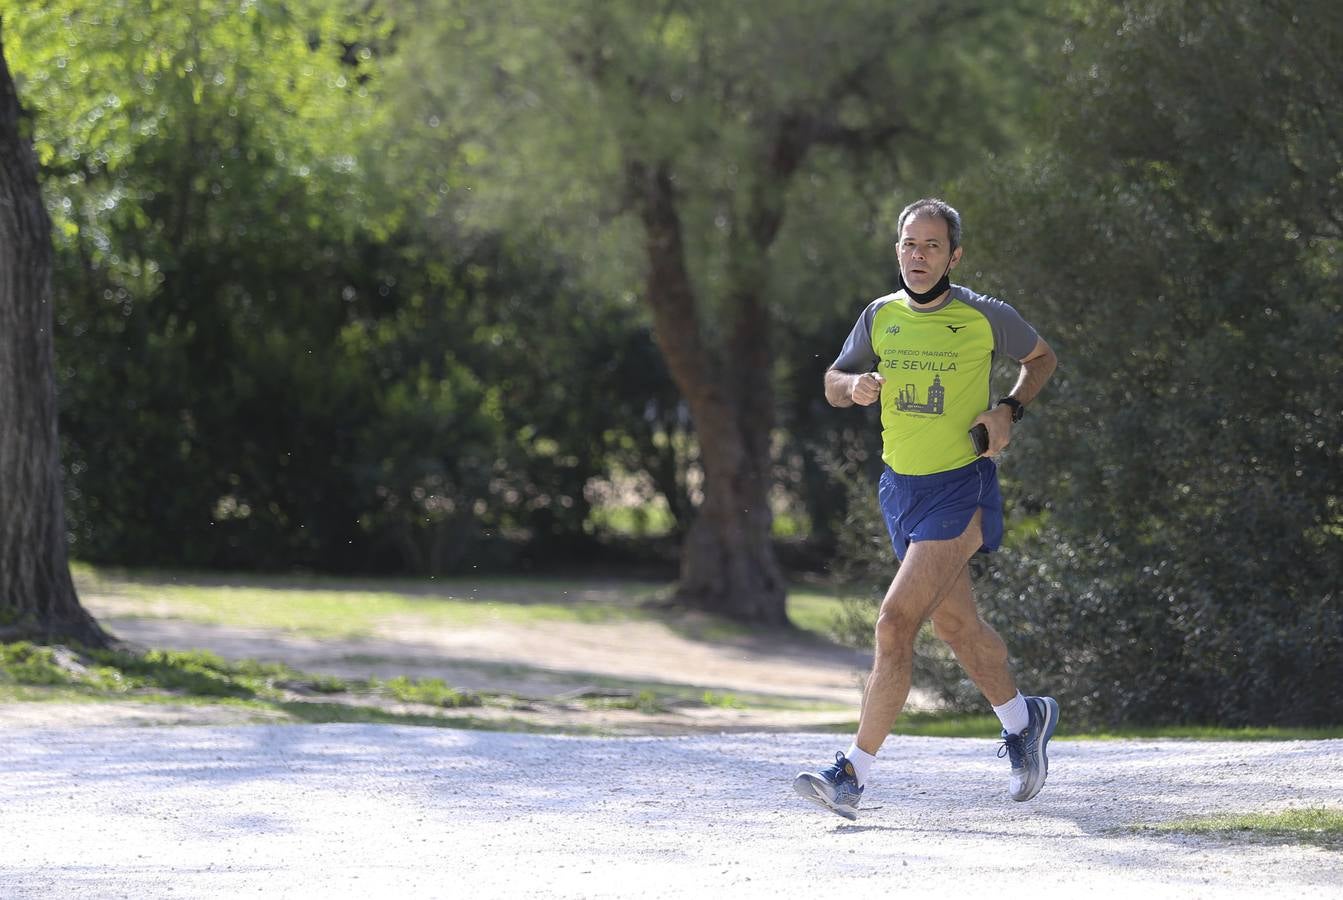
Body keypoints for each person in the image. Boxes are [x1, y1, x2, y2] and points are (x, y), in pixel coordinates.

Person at [794, 197, 1059, 820]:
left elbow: (1041, 358)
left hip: (960, 488)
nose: (919, 256)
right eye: (910, 246)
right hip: (900, 490)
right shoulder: (879, 316)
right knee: (955, 626)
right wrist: (852, 386)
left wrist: (1007, 410)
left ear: (954, 255)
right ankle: (1026, 721)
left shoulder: (984, 317)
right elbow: (834, 379)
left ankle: (852, 773)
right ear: (897, 251)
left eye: (932, 247)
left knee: (893, 624)